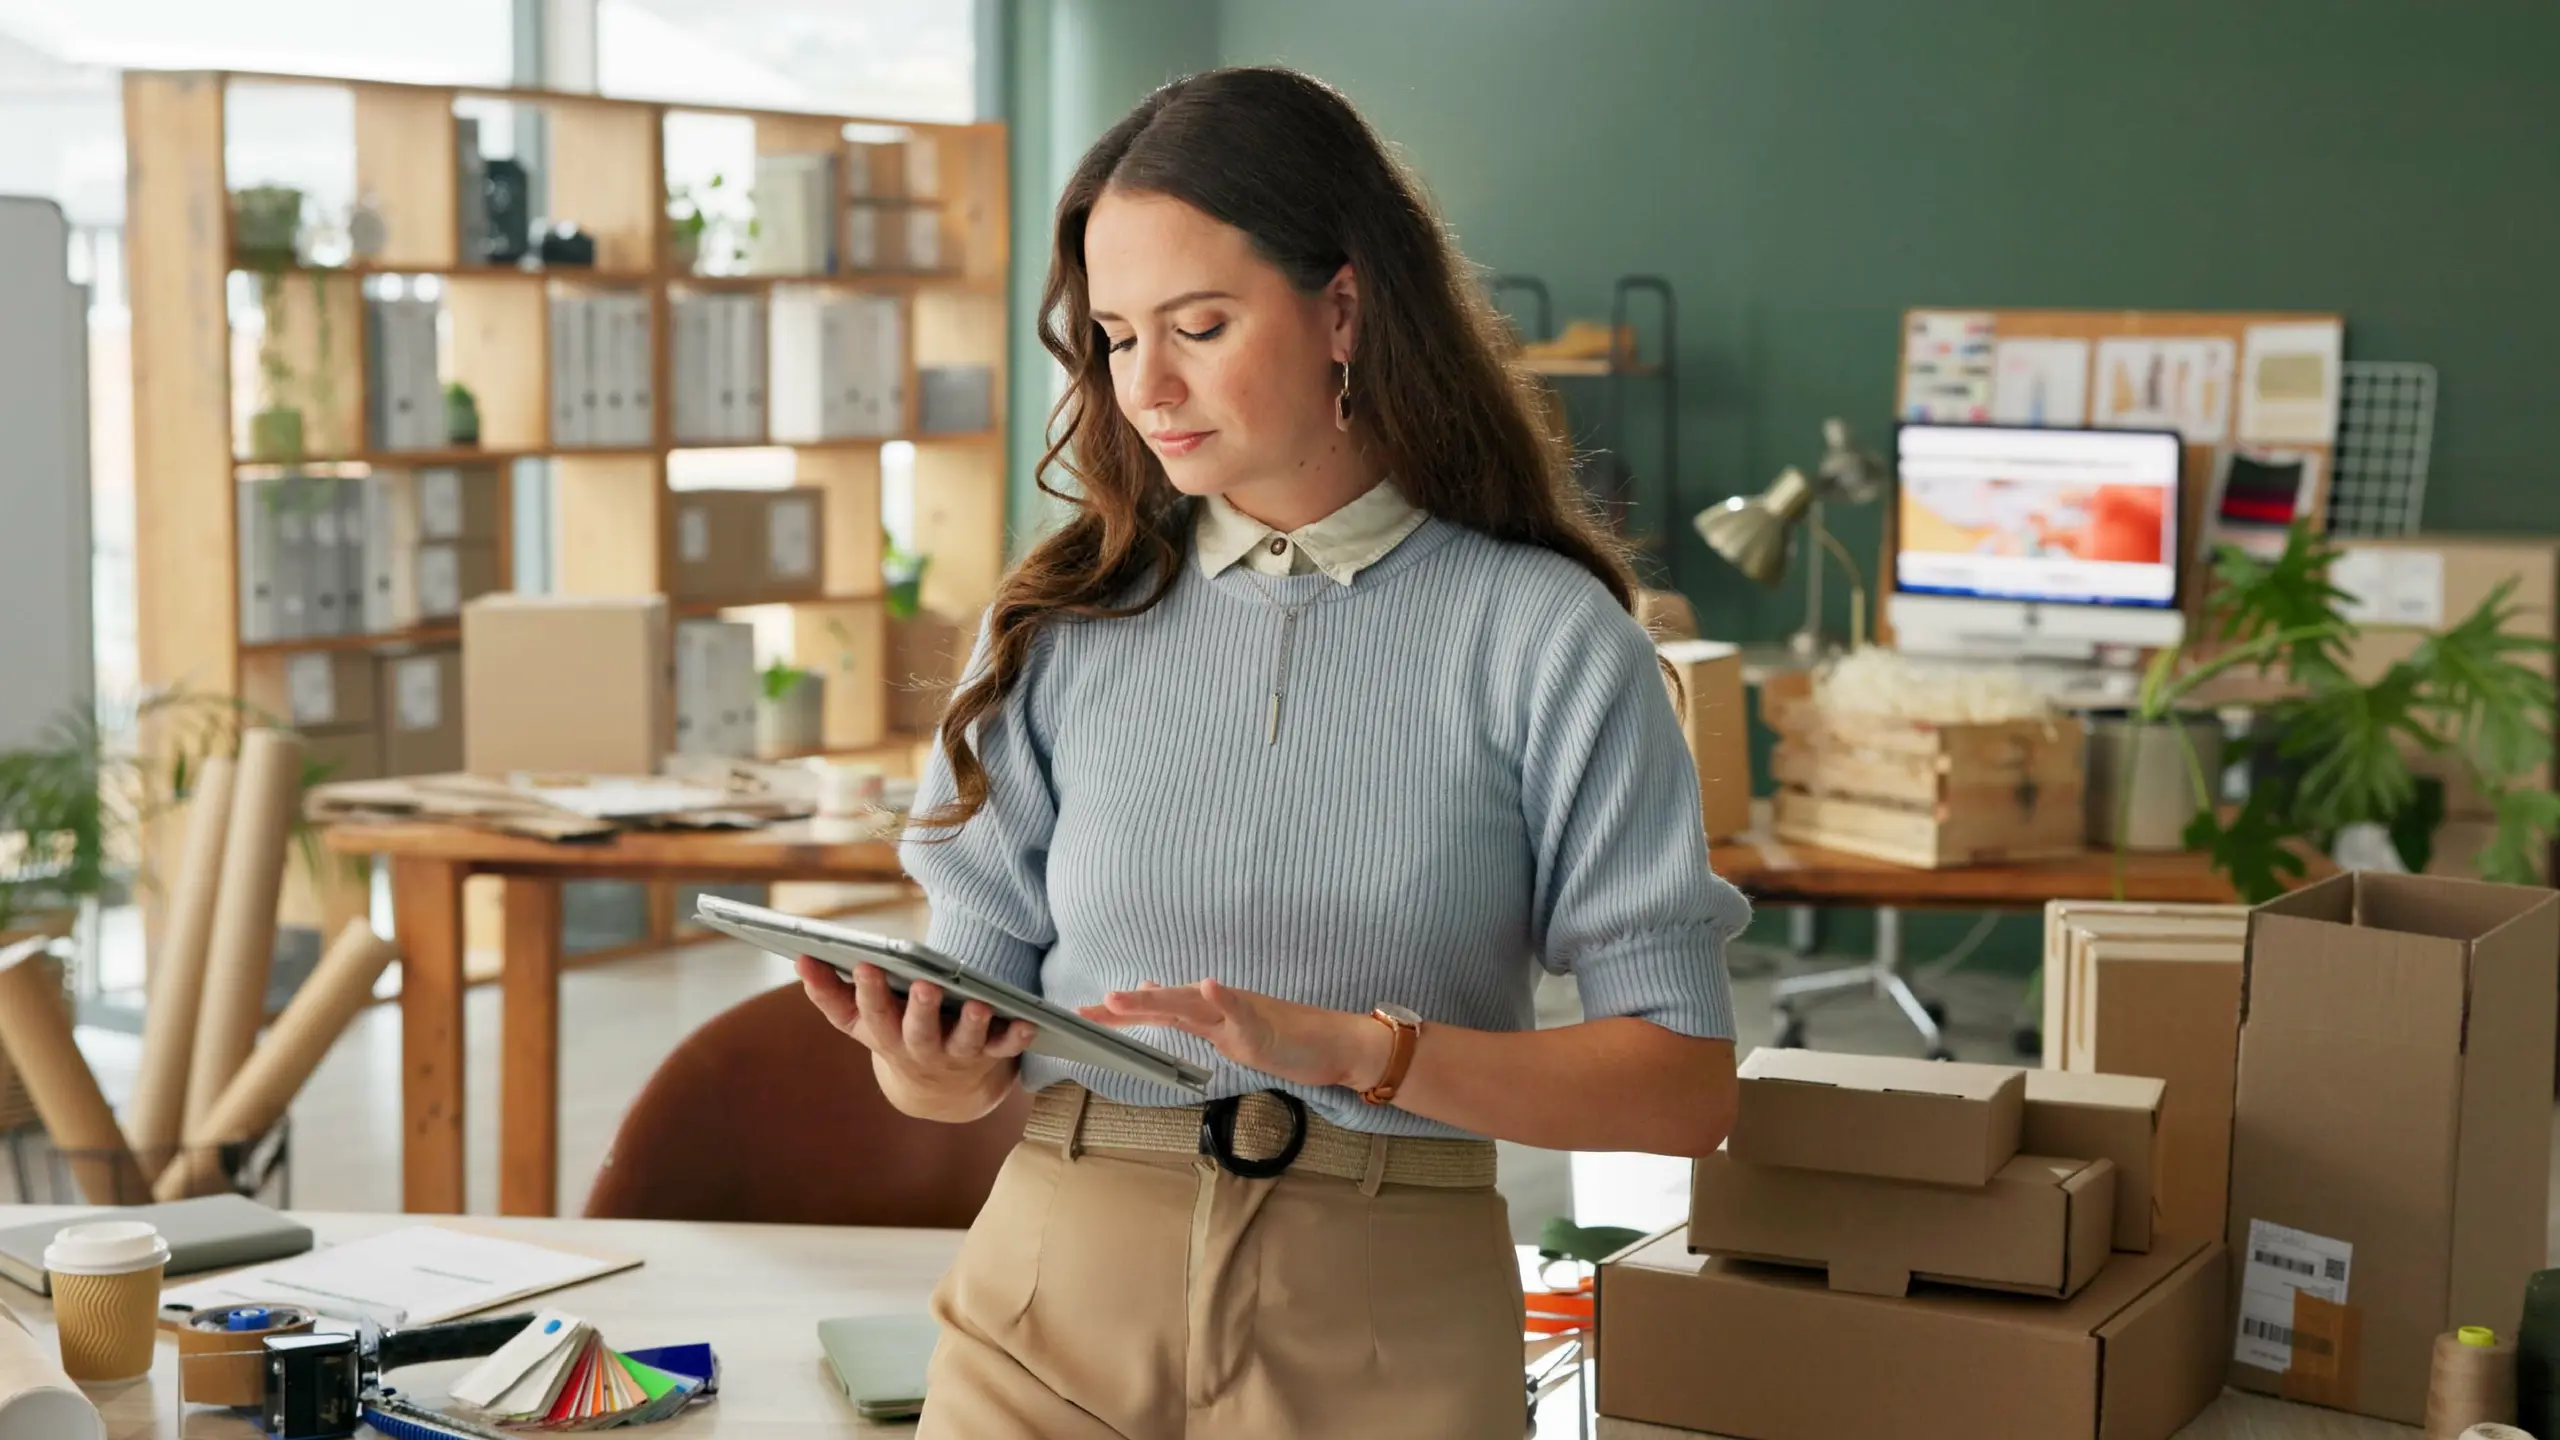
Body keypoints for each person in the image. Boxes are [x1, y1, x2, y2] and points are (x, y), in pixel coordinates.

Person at [797, 64, 1747, 1438]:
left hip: (1386, 1323)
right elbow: (959, 1043)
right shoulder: (1056, 620)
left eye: (1199, 324)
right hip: (1050, 1300)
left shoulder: (1547, 637)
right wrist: (927, 1069)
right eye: (1118, 337)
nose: (1150, 385)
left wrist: (1353, 1047)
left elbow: (1680, 1090)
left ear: (1342, 306)